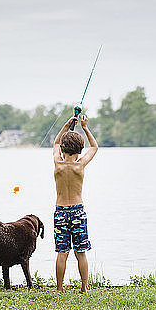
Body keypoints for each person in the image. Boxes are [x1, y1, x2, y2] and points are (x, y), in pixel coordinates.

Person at [52, 114, 98, 293]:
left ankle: (59, 288)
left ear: (63, 149)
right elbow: (95, 147)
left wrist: (67, 125)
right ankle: (84, 287)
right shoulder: (81, 165)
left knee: (62, 253)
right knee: (81, 252)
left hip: (61, 211)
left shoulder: (58, 163)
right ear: (80, 150)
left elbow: (56, 143)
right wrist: (85, 127)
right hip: (78, 212)